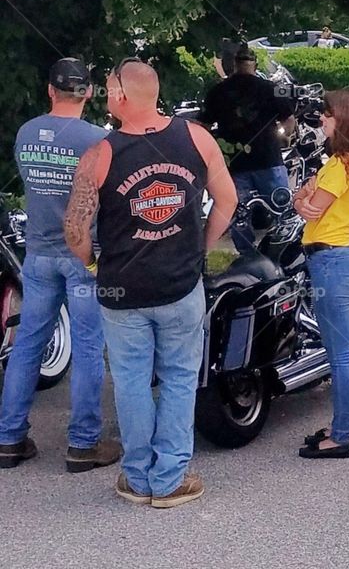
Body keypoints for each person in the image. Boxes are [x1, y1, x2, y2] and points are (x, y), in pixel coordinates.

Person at [64, 59, 237, 508]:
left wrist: (91, 266)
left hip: (122, 289)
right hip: (181, 285)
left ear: (121, 96)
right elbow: (228, 200)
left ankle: (138, 478)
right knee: (180, 379)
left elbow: (75, 232)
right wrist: (200, 246)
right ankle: (171, 479)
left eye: (107, 89)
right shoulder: (196, 138)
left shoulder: (99, 155)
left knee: (131, 380)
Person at [0, 58, 120, 474]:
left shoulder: (26, 133)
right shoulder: (98, 139)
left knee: (29, 341)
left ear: (50, 90)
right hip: (84, 254)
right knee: (88, 345)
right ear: (87, 93)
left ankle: (8, 439)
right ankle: (83, 445)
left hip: (38, 254)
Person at [293, 90, 349, 459]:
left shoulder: (337, 165)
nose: (322, 121)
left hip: (329, 260)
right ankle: (341, 425)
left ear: (342, 119)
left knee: (340, 355)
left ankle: (342, 434)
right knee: (342, 352)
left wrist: (300, 198)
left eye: (327, 115)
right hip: (344, 256)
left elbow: (309, 209)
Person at [199, 43, 295, 251]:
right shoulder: (270, 88)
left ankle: (248, 256)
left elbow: (203, 126)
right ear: (255, 64)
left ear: (233, 65)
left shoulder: (218, 91)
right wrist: (285, 137)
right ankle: (285, 249)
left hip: (234, 163)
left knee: (239, 213)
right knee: (282, 208)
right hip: (268, 158)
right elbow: (289, 118)